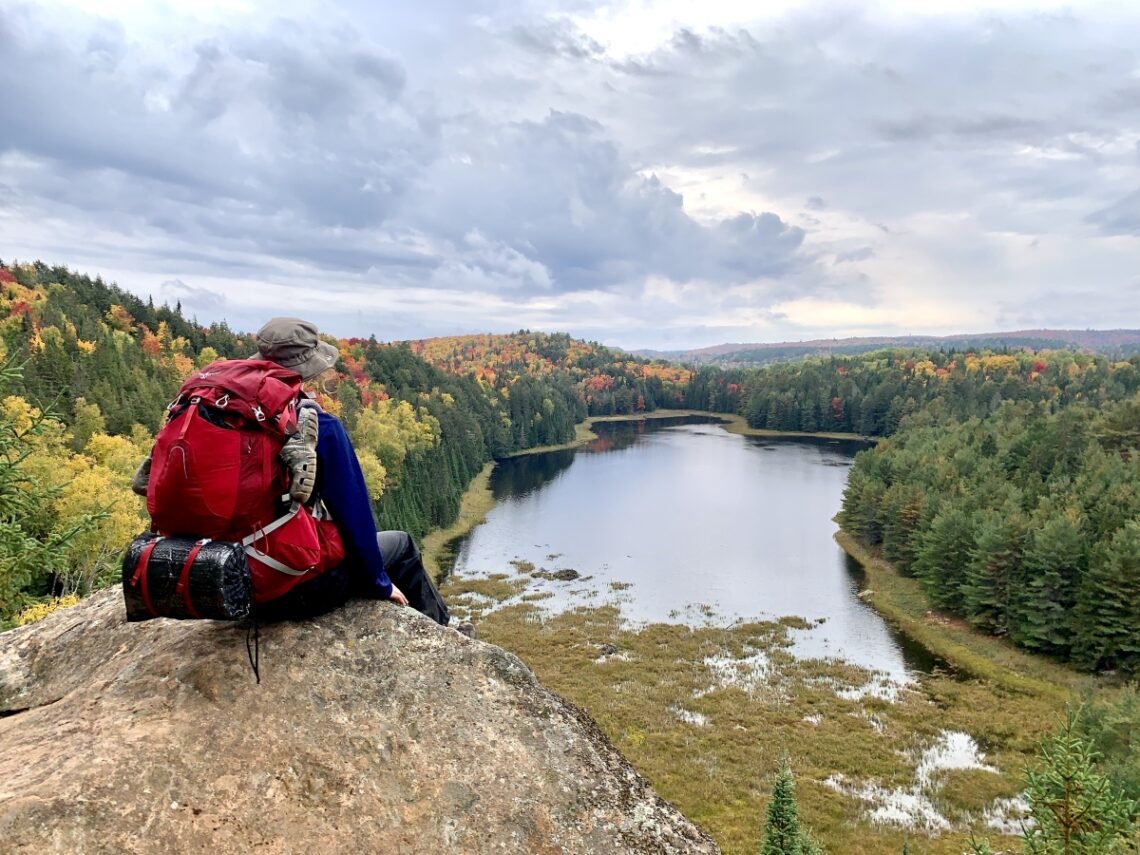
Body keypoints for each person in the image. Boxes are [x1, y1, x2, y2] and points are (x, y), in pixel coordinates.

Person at [248, 317, 449, 626]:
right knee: (402, 544)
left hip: (226, 582)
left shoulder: (224, 416)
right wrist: (379, 583)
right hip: (291, 588)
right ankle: (443, 633)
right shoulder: (317, 426)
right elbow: (355, 517)